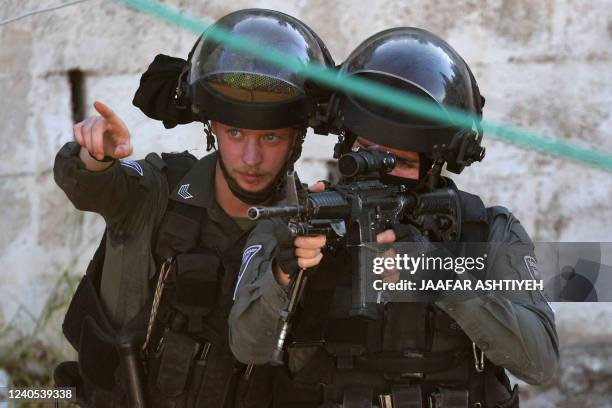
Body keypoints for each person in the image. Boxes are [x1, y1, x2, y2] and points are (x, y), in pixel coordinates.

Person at [229, 27, 559, 407]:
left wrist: (446, 279)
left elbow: (541, 364)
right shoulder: (298, 220)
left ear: (433, 168)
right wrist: (283, 275)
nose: (377, 169)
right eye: (365, 152)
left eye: (399, 162)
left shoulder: (487, 230)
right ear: (346, 145)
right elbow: (246, 348)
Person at [52, 9, 334, 407]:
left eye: (270, 137)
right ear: (213, 127)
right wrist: (95, 156)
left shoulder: (308, 232)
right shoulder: (158, 190)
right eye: (236, 133)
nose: (251, 158)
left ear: (295, 141)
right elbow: (89, 186)